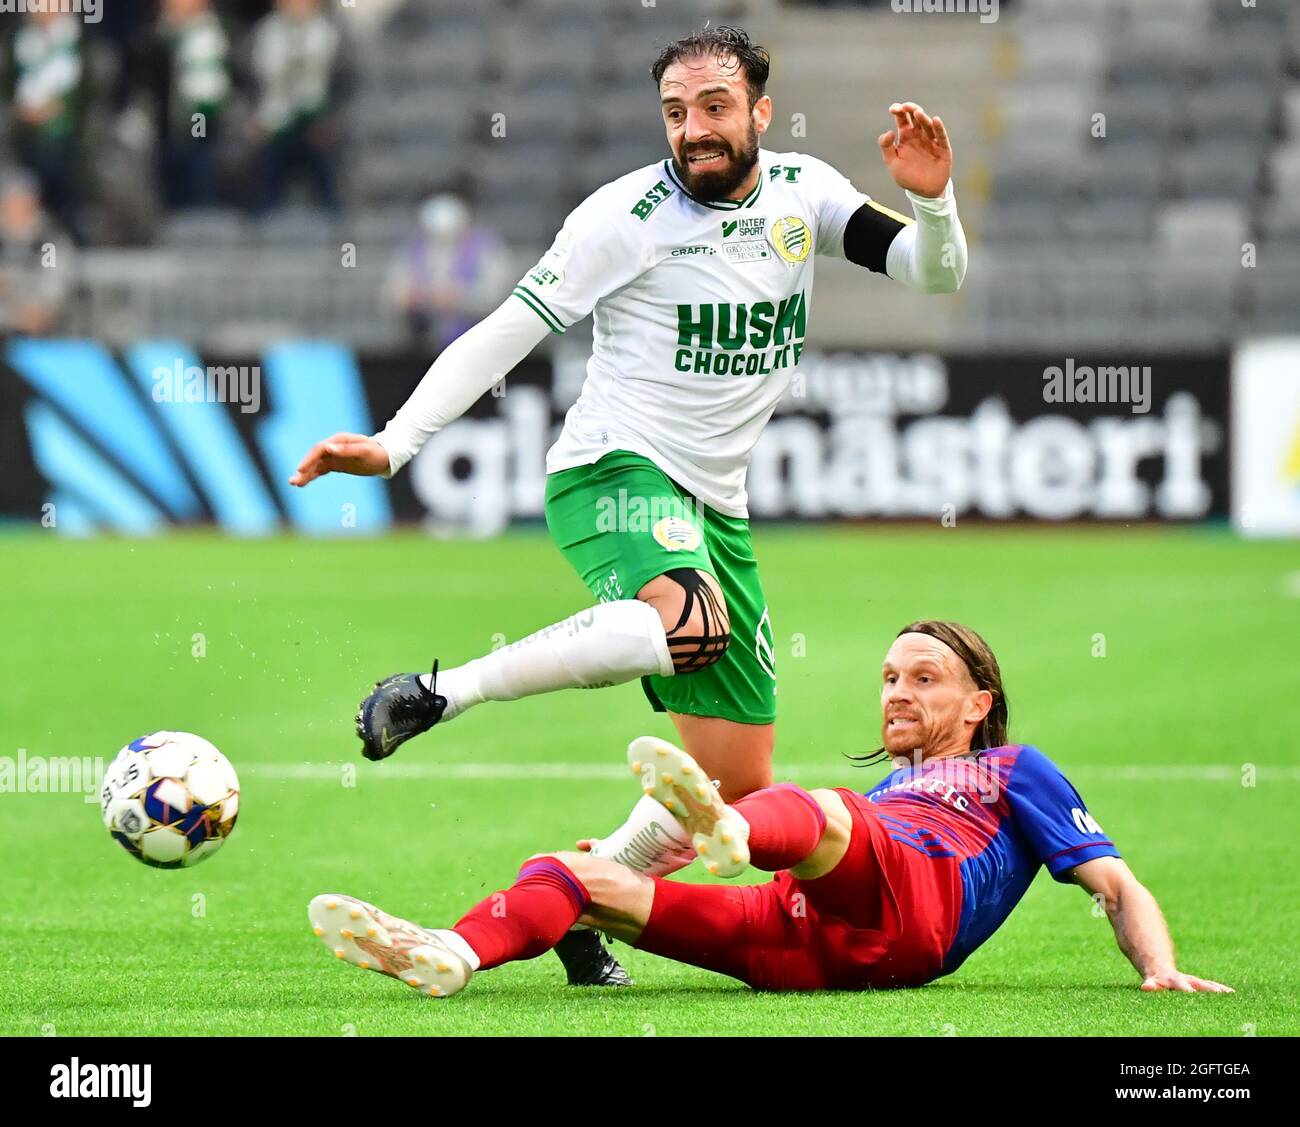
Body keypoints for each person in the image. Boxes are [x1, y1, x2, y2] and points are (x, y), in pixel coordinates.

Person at [289, 25, 967, 985]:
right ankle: (442, 692)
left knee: (734, 784)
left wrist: (931, 202)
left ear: (760, 113)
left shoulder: (805, 194)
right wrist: (396, 442)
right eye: (676, 113)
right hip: (612, 470)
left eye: (715, 109)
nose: (693, 129)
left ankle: (587, 890)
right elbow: (503, 332)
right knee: (687, 624)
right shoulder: (623, 216)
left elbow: (934, 273)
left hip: (713, 507)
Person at [308, 620, 1235, 999]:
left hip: (913, 905)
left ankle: (729, 826)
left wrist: (1159, 967)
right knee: (572, 872)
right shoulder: (889, 789)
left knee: (820, 812)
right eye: (888, 677)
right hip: (796, 938)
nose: (897, 691)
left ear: (979, 702)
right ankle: (454, 951)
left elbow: (1113, 883)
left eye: (925, 677)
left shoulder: (1009, 771)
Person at [250, 0, 345, 214]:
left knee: (328, 193)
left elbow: (344, 82)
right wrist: (254, 118)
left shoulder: (330, 33)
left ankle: (336, 239)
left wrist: (333, 120)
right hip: (274, 124)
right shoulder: (264, 33)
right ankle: (262, 237)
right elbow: (250, 80)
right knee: (266, 191)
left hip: (317, 123)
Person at [386, 193, 513, 350]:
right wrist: (410, 296)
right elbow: (394, 293)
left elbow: (498, 295)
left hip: (476, 336)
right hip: (422, 338)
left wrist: (460, 297)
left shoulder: (486, 249)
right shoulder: (414, 249)